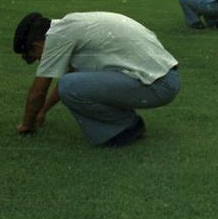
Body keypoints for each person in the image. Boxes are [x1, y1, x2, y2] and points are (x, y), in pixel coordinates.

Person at [12, 12, 180, 146]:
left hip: (159, 84)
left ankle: (126, 127)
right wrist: (42, 112)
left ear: (36, 46)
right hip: (164, 79)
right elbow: (72, 78)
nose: (38, 61)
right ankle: (127, 124)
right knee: (71, 83)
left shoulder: (57, 36)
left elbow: (39, 92)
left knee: (68, 85)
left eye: (32, 57)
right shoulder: (69, 26)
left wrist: (27, 125)